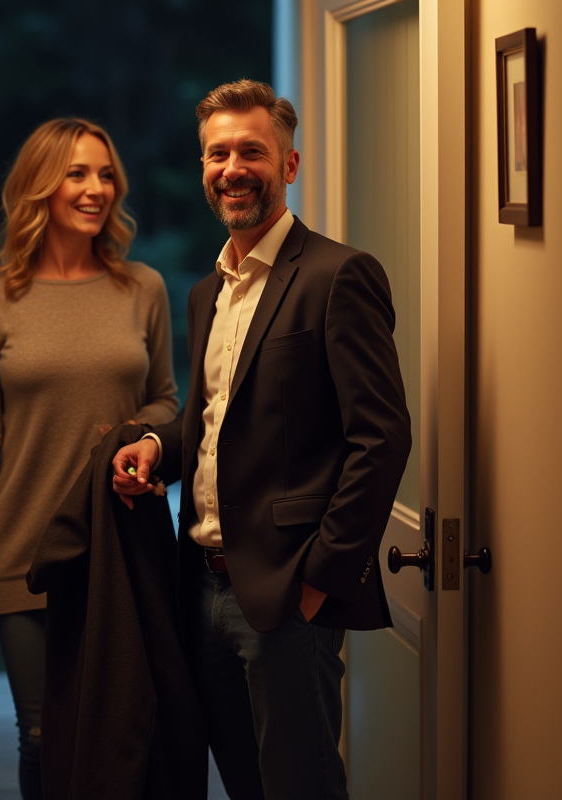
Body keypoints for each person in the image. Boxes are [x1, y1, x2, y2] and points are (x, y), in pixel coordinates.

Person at [111, 79, 412, 800]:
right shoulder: (207, 291)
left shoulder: (339, 275)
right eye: (218, 154)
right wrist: (158, 446)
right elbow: (217, 417)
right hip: (202, 588)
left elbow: (382, 435)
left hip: (285, 594)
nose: (233, 168)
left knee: (300, 786)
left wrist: (321, 577)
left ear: (290, 164)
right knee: (245, 785)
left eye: (252, 151)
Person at [0, 117, 179, 800]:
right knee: (43, 734)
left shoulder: (143, 288)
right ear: (39, 187)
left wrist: (136, 434)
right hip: (24, 545)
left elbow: (166, 401)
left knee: (129, 727)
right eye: (77, 173)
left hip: (123, 546)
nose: (96, 188)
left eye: (105, 174)